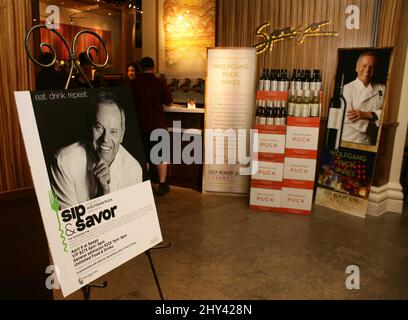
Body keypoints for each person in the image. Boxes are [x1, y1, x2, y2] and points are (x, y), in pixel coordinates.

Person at [51, 90, 143, 209]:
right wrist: (102, 195)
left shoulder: (134, 169)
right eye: (99, 128)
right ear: (90, 127)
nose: (105, 139)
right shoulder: (64, 162)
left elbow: (133, 219)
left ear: (122, 134)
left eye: (113, 131)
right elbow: (69, 226)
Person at [132, 57, 173, 196]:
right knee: (161, 157)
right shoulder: (159, 82)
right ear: (153, 68)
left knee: (144, 158)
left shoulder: (134, 83)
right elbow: (169, 102)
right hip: (158, 125)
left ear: (141, 68)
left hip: (140, 126)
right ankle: (162, 184)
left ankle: (145, 185)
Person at [341, 52, 385, 145]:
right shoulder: (347, 88)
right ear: (357, 68)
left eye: (371, 67)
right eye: (364, 65)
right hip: (349, 139)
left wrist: (368, 114)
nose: (367, 70)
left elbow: (387, 113)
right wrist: (373, 121)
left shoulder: (382, 88)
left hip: (369, 140)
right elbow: (347, 116)